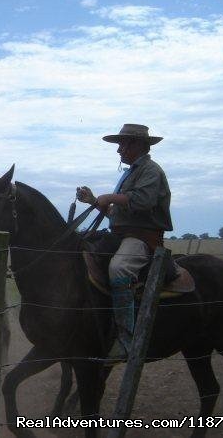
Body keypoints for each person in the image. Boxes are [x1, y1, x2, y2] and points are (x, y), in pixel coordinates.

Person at [76, 124, 173, 362]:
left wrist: (108, 197)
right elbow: (119, 216)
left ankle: (125, 340)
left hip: (142, 238)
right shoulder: (130, 173)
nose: (119, 150)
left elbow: (142, 202)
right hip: (121, 235)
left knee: (118, 268)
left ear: (138, 145)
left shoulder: (151, 170)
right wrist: (93, 201)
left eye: (123, 144)